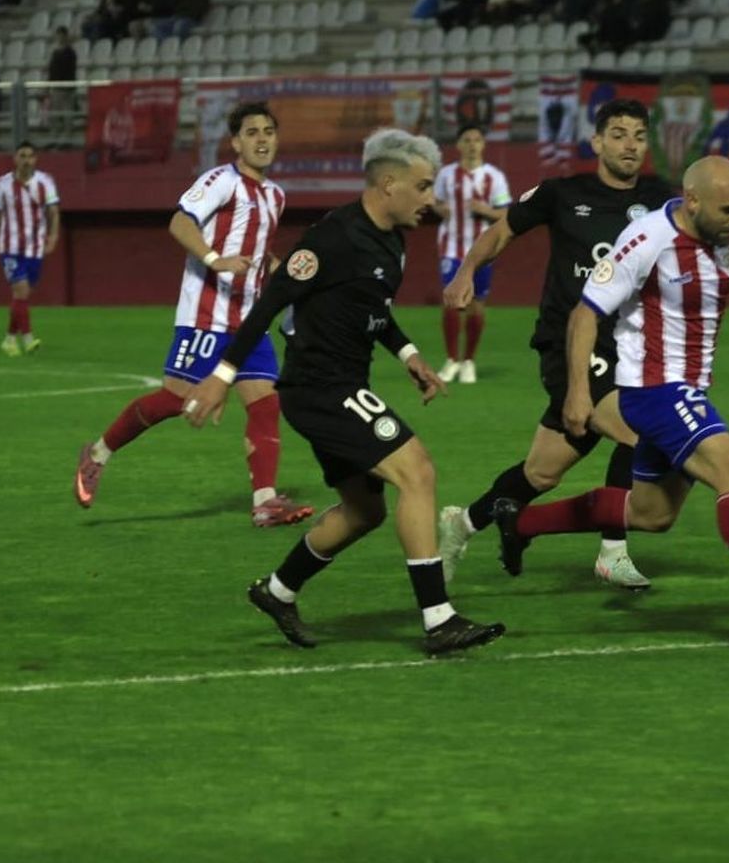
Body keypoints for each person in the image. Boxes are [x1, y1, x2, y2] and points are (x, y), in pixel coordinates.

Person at [487, 156, 729, 637]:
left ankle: (521, 523)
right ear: (693, 201)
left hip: (687, 386)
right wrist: (578, 392)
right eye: (728, 210)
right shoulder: (646, 239)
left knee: (651, 514)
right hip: (654, 389)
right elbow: (584, 314)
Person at [180, 128, 506, 656]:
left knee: (364, 510)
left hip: (341, 385)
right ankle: (438, 618)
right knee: (417, 471)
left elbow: (372, 312)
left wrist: (409, 356)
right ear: (388, 184)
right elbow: (268, 303)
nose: (431, 199)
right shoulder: (332, 237)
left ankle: (278, 591)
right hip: (320, 388)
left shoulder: (393, 242)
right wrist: (222, 377)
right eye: (423, 188)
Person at [439, 98, 676, 591]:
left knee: (542, 474)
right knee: (639, 431)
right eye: (618, 134)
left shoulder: (660, 198)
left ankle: (461, 525)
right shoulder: (562, 193)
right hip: (568, 342)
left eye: (637, 135)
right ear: (596, 142)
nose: (629, 144)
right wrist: (466, 270)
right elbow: (502, 230)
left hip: (631, 347)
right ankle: (613, 552)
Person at [74, 102, 313, 528]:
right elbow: (180, 223)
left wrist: (294, 284)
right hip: (205, 315)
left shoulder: (275, 196)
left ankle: (264, 501)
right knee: (175, 400)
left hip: (249, 321)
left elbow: (260, 257)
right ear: (236, 142)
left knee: (264, 403)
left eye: (269, 131)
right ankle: (97, 454)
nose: (262, 139)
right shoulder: (221, 181)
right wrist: (214, 258)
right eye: (252, 132)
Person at [433, 124, 512, 385]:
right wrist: (440, 208)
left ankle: (468, 361)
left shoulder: (494, 176)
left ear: (483, 145)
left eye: (477, 140)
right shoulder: (445, 175)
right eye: (466, 140)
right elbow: (433, 201)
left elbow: (505, 213)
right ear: (458, 145)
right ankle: (452, 359)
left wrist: (484, 210)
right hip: (451, 247)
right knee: (452, 302)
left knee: (477, 305)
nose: (472, 144)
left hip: (482, 250)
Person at [0, 141, 60, 356]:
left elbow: (53, 212)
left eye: (30, 156)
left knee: (22, 297)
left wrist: (53, 236)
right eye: (22, 155)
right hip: (10, 248)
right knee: (21, 291)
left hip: (34, 249)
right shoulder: (3, 184)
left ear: (36, 159)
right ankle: (28, 339)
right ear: (15, 158)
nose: (26, 160)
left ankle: (9, 339)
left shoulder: (45, 182)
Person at [46, 27, 78, 142]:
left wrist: (69, 86)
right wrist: (48, 85)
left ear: (65, 36)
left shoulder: (70, 52)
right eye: (58, 35)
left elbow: (70, 70)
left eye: (61, 35)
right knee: (54, 113)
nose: (59, 38)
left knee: (67, 113)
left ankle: (67, 136)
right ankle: (54, 136)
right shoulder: (55, 52)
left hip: (66, 87)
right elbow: (51, 70)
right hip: (55, 87)